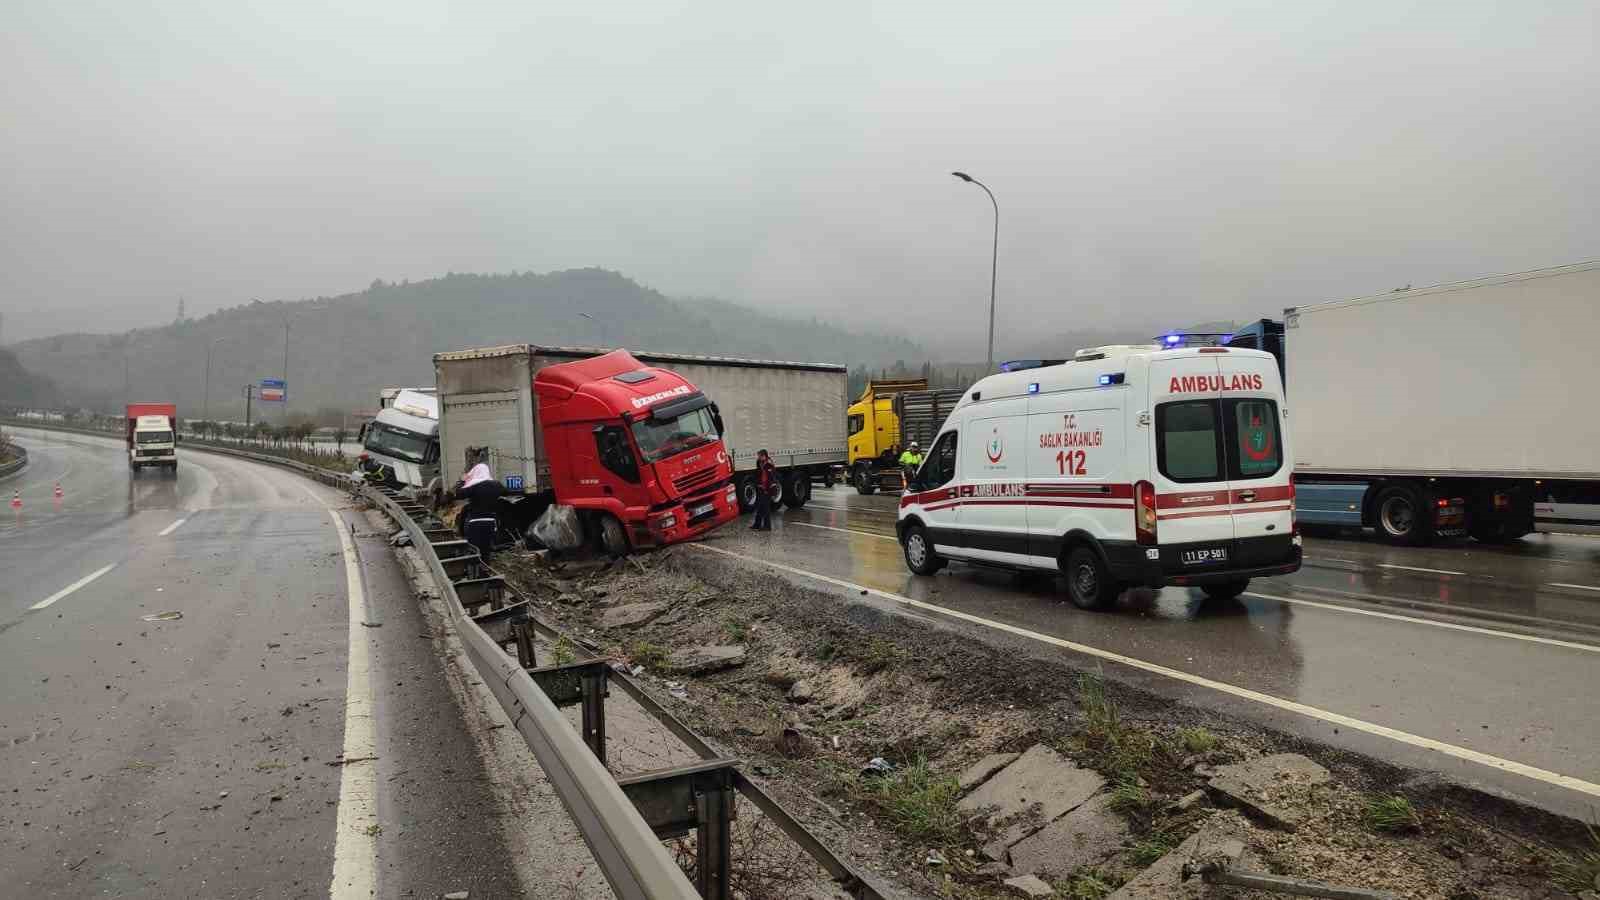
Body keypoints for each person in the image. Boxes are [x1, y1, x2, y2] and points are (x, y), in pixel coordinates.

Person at [454, 462, 506, 562]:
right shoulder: (496, 485)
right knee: (486, 550)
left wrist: (462, 481)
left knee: (474, 551)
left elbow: (458, 494)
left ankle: (476, 572)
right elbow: (505, 491)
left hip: (474, 522)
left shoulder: (473, 486)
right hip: (491, 522)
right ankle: (486, 568)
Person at [751, 449, 776, 531]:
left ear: (764, 456)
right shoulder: (760, 464)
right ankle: (757, 524)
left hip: (767, 490)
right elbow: (758, 474)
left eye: (759, 456)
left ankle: (767, 526)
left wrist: (767, 489)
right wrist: (758, 484)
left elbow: (770, 479)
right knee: (760, 507)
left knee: (766, 508)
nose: (758, 457)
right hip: (761, 488)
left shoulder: (769, 465)